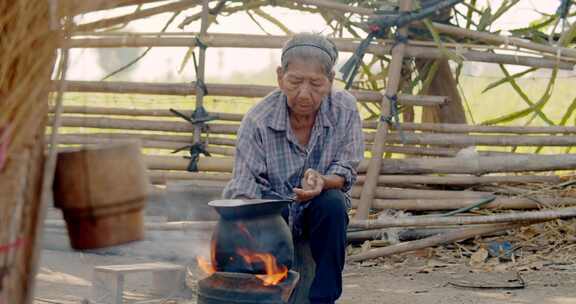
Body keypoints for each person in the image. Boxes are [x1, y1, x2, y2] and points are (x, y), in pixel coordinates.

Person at [223, 33, 365, 304]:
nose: (304, 93)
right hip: (273, 214)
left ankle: (324, 298)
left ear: (330, 81)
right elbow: (244, 185)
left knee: (333, 204)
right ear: (280, 77)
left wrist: (323, 180)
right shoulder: (258, 120)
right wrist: (258, 220)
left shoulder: (345, 109)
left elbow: (347, 167)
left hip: (319, 213)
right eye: (295, 81)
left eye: (316, 83)